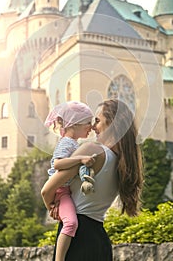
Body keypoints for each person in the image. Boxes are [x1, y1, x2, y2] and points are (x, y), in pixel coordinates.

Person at [41, 99, 144, 261]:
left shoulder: (92, 151)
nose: (92, 126)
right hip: (100, 242)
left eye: (97, 120)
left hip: (77, 239)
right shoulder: (124, 165)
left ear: (111, 123)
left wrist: (52, 207)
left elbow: (47, 189)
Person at [44, 101, 97, 261]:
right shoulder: (67, 142)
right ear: (75, 124)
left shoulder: (72, 143)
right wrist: (81, 159)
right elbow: (58, 164)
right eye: (88, 123)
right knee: (71, 223)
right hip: (61, 191)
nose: (91, 127)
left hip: (64, 191)